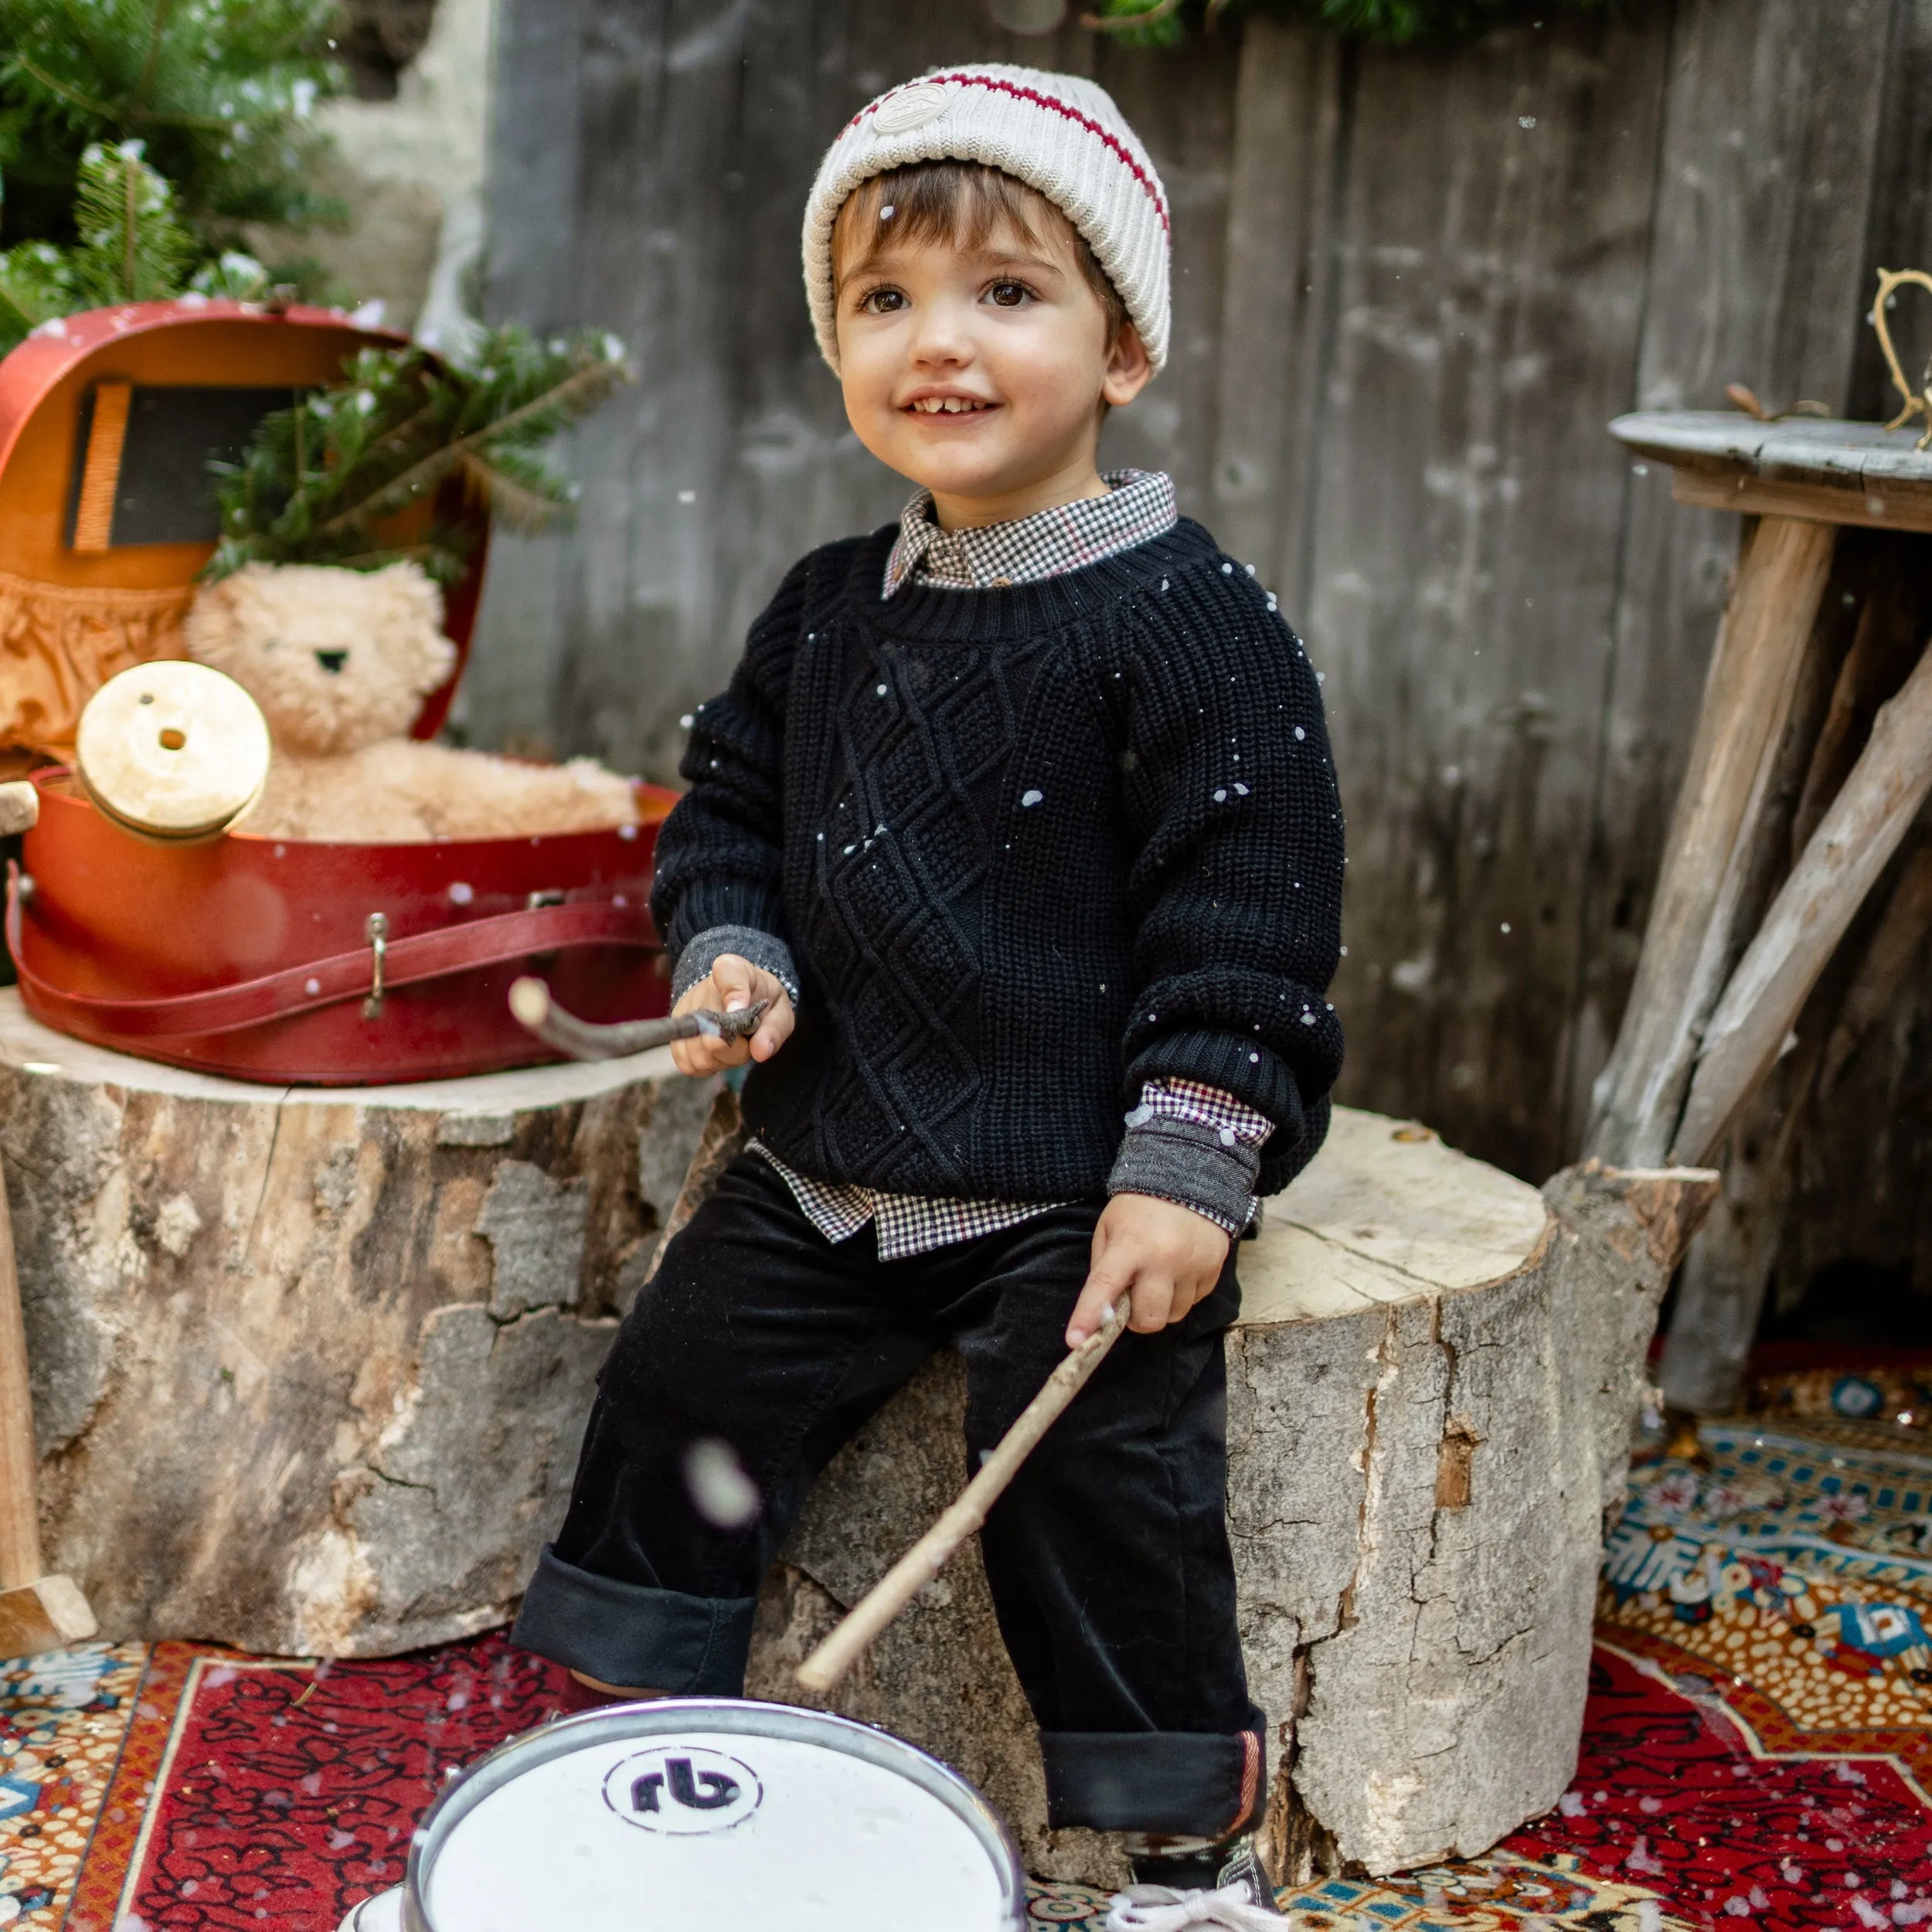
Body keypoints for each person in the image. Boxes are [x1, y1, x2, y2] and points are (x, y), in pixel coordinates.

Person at [512, 63, 1343, 1924]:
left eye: (1005, 293)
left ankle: (1179, 1852)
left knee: (1098, 1466)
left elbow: (1253, 927)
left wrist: (1189, 1158)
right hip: (831, 1154)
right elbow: (722, 808)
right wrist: (738, 949)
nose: (936, 343)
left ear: (1120, 348)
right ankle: (647, 1743)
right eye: (883, 301)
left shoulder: (1190, 621)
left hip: (1066, 1172)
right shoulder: (824, 605)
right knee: (679, 1384)